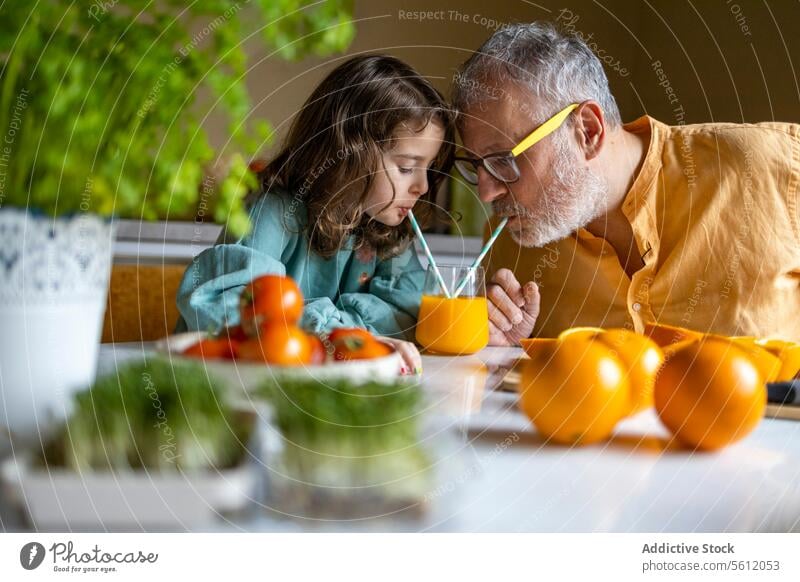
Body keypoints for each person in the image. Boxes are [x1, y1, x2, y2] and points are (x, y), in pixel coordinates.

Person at [453, 22, 800, 344]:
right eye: (477, 165)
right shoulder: (509, 246)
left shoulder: (771, 167)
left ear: (587, 131)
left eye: (504, 159)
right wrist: (503, 350)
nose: (486, 192)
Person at [176, 55, 455, 371]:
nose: (422, 185)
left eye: (428, 168)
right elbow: (227, 310)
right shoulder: (273, 211)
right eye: (406, 167)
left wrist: (332, 332)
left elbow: (407, 315)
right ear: (348, 152)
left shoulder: (387, 230)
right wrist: (332, 329)